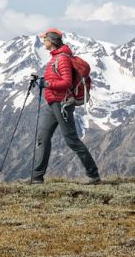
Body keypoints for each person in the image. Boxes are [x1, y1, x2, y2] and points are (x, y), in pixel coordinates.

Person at [30, 28, 101, 185]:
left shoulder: (61, 59)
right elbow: (57, 78)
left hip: (62, 103)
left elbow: (66, 82)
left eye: (45, 39)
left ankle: (93, 175)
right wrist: (41, 80)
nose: (43, 42)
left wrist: (46, 84)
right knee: (43, 138)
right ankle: (36, 178)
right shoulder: (55, 58)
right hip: (52, 103)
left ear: (52, 41)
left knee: (71, 140)